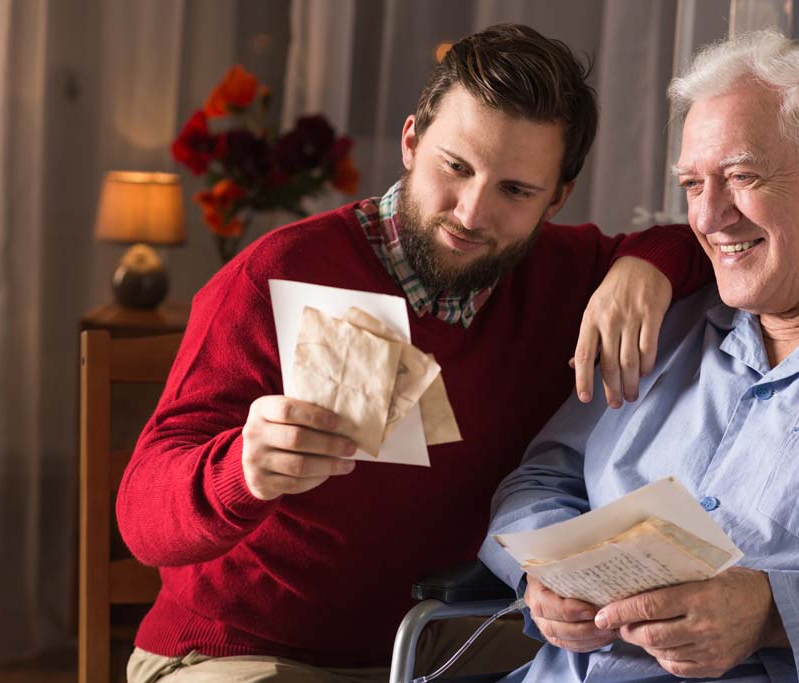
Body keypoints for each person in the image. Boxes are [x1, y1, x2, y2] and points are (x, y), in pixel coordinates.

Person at [118, 23, 712, 683]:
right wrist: (242, 470)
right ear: (410, 141)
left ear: (557, 198)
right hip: (245, 650)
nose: (471, 212)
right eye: (454, 167)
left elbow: (701, 243)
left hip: (439, 642)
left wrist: (644, 266)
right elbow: (142, 519)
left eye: (516, 190)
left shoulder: (565, 273)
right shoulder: (279, 271)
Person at [480, 29, 799, 683]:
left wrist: (778, 611)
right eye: (693, 184)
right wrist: (543, 574)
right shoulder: (676, 315)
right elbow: (542, 479)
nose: (710, 216)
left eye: (742, 177)